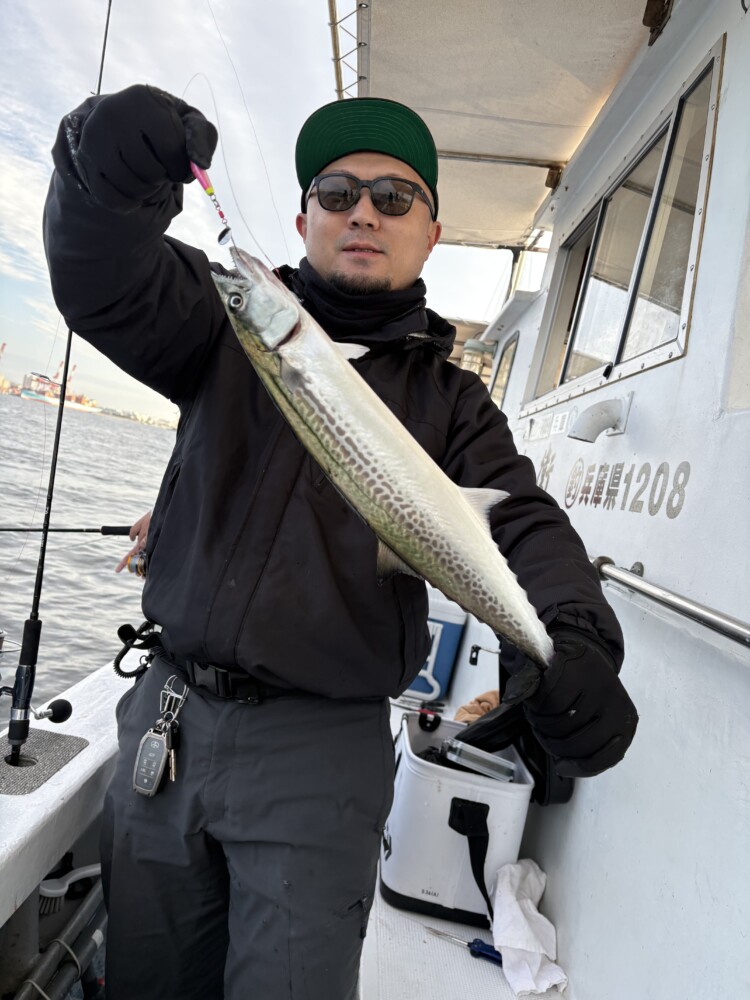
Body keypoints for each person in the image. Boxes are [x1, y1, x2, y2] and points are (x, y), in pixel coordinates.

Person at [43, 86, 638, 1000]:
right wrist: (98, 175)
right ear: (304, 218)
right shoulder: (226, 322)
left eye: (394, 198)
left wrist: (575, 633)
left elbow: (519, 518)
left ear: (430, 231)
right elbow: (104, 275)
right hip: (168, 722)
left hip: (320, 755)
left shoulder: (452, 404)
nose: (363, 211)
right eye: (336, 193)